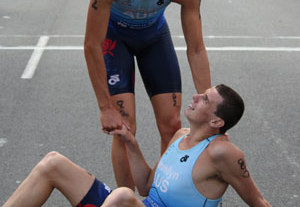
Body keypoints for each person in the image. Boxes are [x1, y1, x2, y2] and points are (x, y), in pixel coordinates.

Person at [84, 0, 211, 189]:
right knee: (124, 128)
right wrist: (105, 107)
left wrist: (208, 104)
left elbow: (196, 48)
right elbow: (92, 45)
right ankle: (125, 200)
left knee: (172, 125)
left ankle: (161, 195)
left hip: (154, 39)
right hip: (114, 40)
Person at [4, 84, 271, 207]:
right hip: (139, 204)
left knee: (122, 196)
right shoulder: (180, 135)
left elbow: (257, 201)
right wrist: (131, 144)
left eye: (204, 99)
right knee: (53, 162)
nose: (194, 96)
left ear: (216, 120)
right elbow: (146, 186)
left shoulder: (222, 152)